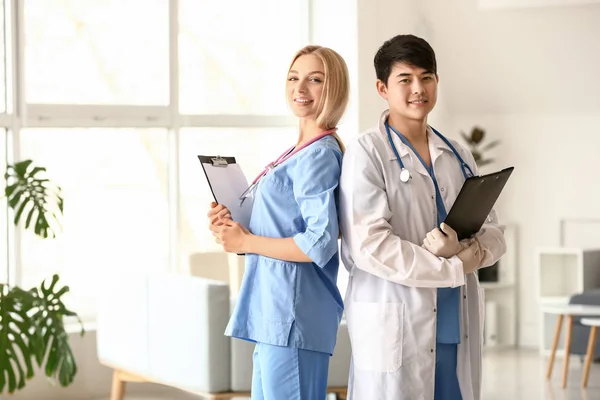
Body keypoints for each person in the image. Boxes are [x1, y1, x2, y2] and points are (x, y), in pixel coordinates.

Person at [338, 34, 507, 400]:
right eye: (406, 79)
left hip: (454, 322)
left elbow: (494, 230)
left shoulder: (457, 153)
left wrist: (466, 256)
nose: (419, 88)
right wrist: (451, 268)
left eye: (427, 77)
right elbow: (371, 245)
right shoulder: (367, 152)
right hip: (398, 323)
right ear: (383, 88)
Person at [207, 45, 350, 400]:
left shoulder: (318, 155)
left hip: (294, 317)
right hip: (276, 315)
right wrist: (233, 226)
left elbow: (319, 242)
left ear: (333, 88)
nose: (300, 88)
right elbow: (282, 223)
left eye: (315, 80)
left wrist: (247, 242)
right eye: (293, 78)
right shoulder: (299, 151)